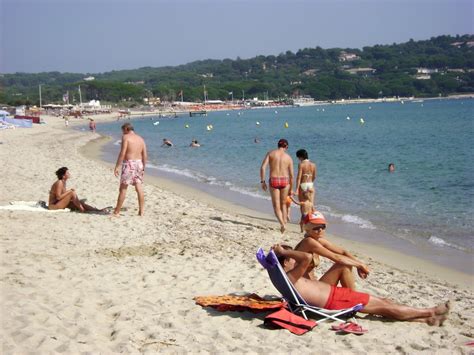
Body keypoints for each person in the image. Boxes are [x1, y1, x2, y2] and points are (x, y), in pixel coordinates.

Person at [272, 244, 450, 326]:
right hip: (336, 300)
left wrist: (279, 255)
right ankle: (431, 311)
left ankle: (426, 319)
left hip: (333, 296)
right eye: (291, 259)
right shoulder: (290, 276)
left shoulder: (283, 277)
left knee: (383, 305)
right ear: (286, 261)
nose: (295, 261)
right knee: (385, 305)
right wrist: (283, 251)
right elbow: (307, 257)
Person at [294, 211, 369, 290]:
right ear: (307, 228)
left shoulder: (318, 240)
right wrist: (360, 265)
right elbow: (336, 257)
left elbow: (343, 252)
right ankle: (354, 299)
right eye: (316, 228)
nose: (320, 230)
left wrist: (359, 265)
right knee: (343, 265)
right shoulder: (308, 242)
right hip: (306, 290)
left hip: (312, 285)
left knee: (346, 263)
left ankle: (353, 298)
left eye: (322, 227)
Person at [113, 123, 147, 216]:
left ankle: (117, 212)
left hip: (129, 163)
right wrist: (143, 167)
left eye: (123, 131)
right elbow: (145, 155)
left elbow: (122, 152)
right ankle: (141, 211)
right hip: (139, 163)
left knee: (123, 188)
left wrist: (117, 166)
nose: (122, 133)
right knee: (139, 187)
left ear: (126, 129)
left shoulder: (126, 137)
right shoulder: (141, 139)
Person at [260, 138, 294, 233]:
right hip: (285, 180)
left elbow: (263, 168)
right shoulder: (289, 157)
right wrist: (291, 188)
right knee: (283, 204)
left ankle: (282, 223)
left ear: (278, 145)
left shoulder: (271, 153)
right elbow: (291, 175)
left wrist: (262, 181)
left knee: (276, 206)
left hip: (274, 180)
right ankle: (284, 224)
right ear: (286, 147)